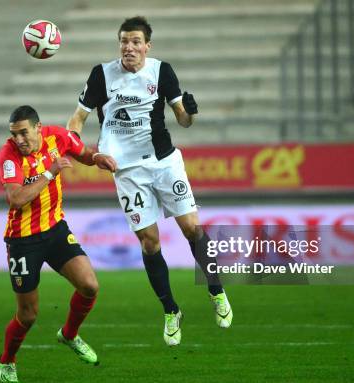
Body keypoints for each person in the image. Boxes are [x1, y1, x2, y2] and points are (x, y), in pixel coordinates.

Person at [66, 16, 232, 347]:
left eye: (135, 42)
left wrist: (191, 112)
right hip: (126, 171)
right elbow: (78, 118)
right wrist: (74, 146)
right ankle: (171, 311)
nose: (129, 47)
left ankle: (216, 290)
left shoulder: (161, 71)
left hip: (164, 163)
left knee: (192, 230)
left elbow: (182, 120)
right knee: (149, 243)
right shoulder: (101, 74)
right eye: (124, 41)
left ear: (147, 46)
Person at [0, 105, 116, 382]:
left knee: (89, 285)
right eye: (14, 134)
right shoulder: (9, 155)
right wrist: (50, 173)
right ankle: (7, 361)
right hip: (22, 240)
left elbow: (83, 153)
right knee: (28, 315)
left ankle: (70, 335)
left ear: (38, 128)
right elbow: (16, 198)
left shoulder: (57, 137)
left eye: (24, 133)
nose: (19, 140)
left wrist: (98, 157)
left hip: (55, 229)